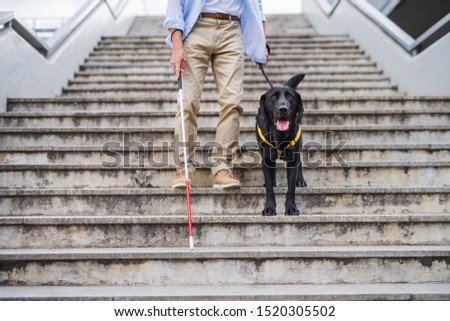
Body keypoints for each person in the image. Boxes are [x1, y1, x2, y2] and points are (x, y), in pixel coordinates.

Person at [164, 0, 269, 189]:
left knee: (232, 102)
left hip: (232, 29)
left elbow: (257, 5)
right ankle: (184, 169)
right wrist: (177, 45)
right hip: (196, 27)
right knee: (187, 102)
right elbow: (175, 4)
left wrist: (261, 42)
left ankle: (222, 167)